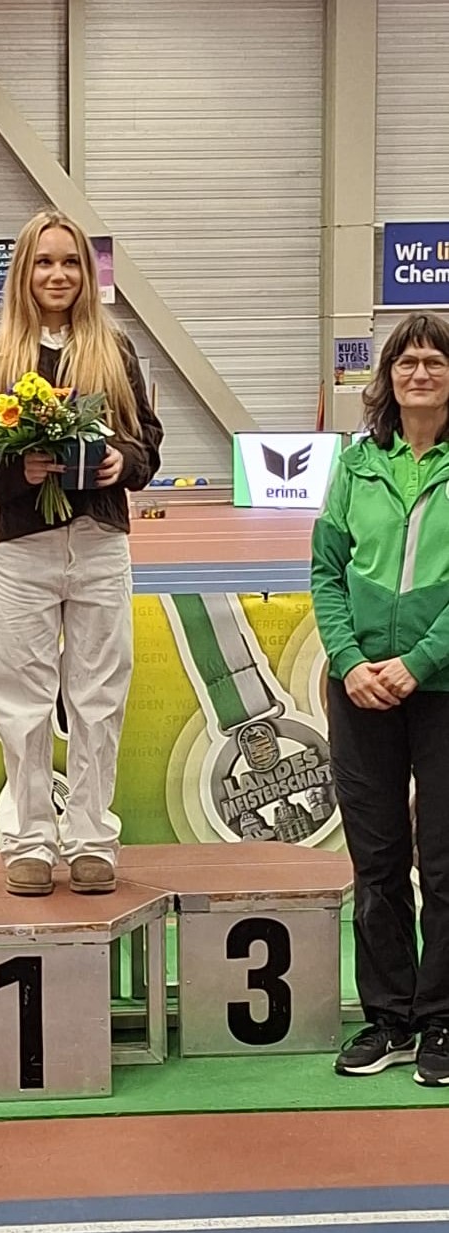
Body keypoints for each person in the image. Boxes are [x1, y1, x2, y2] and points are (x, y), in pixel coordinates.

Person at [0, 209, 163, 897]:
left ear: (86, 274)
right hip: (23, 548)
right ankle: (30, 839)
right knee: (22, 697)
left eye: (70, 262)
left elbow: (148, 443)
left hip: (100, 544)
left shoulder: (115, 351)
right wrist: (20, 471)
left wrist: (122, 463)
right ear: (23, 271)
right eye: (44, 261)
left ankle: (92, 837)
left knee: (99, 695)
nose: (58, 274)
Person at [312, 311, 449, 1087]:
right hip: (359, 685)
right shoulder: (356, 463)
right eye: (406, 362)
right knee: (379, 860)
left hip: (442, 686)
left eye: (434, 361)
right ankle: (390, 1017)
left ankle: (443, 1017)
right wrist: (348, 659)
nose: (419, 373)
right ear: (388, 377)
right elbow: (327, 568)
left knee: (446, 860)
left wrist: (420, 661)